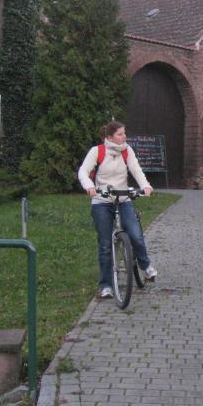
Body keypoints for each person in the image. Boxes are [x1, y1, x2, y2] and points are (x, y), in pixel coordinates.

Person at [78, 121, 157, 299]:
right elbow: (83, 171)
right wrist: (89, 186)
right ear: (110, 137)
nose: (124, 136)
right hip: (102, 200)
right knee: (105, 244)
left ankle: (145, 266)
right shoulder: (97, 151)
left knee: (136, 234)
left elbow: (136, 170)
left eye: (124, 133)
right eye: (120, 134)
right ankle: (106, 285)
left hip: (123, 198)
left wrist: (145, 186)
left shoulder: (127, 151)